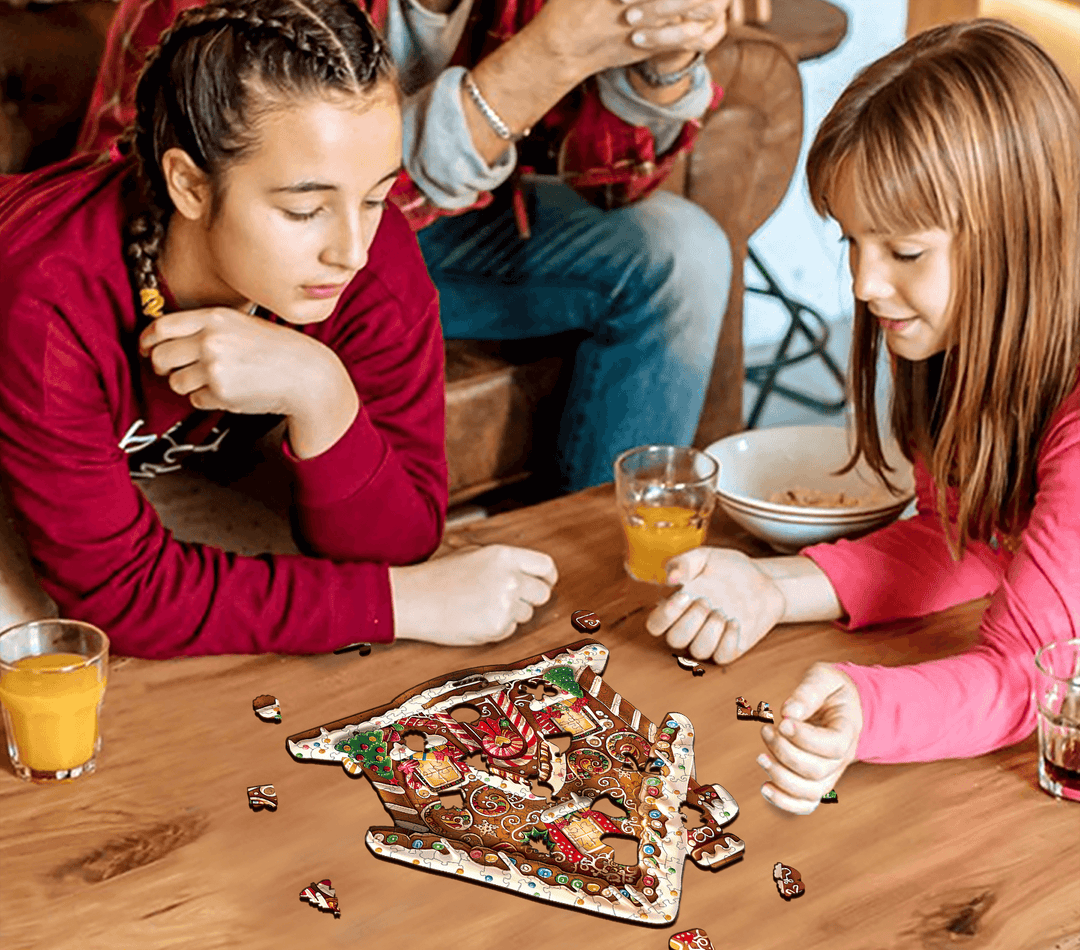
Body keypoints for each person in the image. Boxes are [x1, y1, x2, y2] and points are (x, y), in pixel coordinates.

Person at [0, 0, 556, 659]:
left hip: (105, 451)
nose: (351, 249)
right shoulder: (48, 296)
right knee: (35, 648)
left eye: (375, 197)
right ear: (189, 185)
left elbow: (402, 539)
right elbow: (123, 597)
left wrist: (322, 392)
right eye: (305, 210)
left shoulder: (371, 255)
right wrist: (406, 602)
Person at [646, 19, 1080, 813]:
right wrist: (772, 588)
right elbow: (969, 536)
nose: (862, 284)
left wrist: (869, 709)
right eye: (852, 241)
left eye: (904, 252)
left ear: (1022, 236)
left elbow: (1034, 674)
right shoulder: (965, 346)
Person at [76, 0, 736, 495]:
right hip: (235, 245)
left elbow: (617, 185)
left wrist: (661, 61)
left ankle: (604, 561)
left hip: (434, 224)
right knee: (335, 223)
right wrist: (545, 59)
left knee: (682, 253)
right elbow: (168, 204)